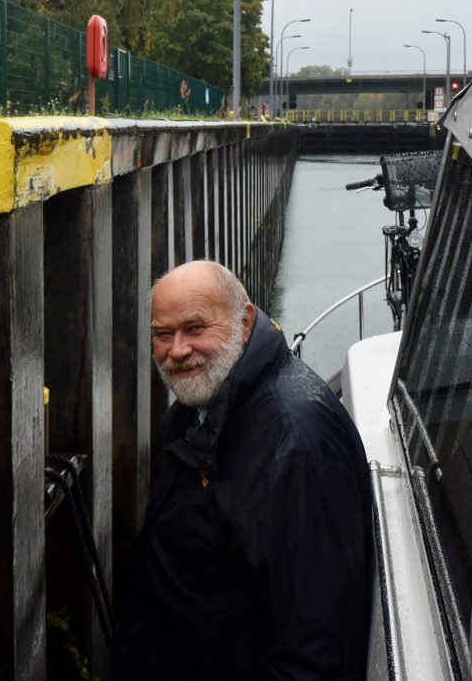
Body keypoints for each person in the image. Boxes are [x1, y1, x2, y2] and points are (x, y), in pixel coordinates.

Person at [117, 261, 372, 680]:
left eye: (196, 328)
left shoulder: (296, 448)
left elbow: (316, 649)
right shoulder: (208, 406)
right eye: (163, 335)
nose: (177, 350)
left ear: (245, 321)